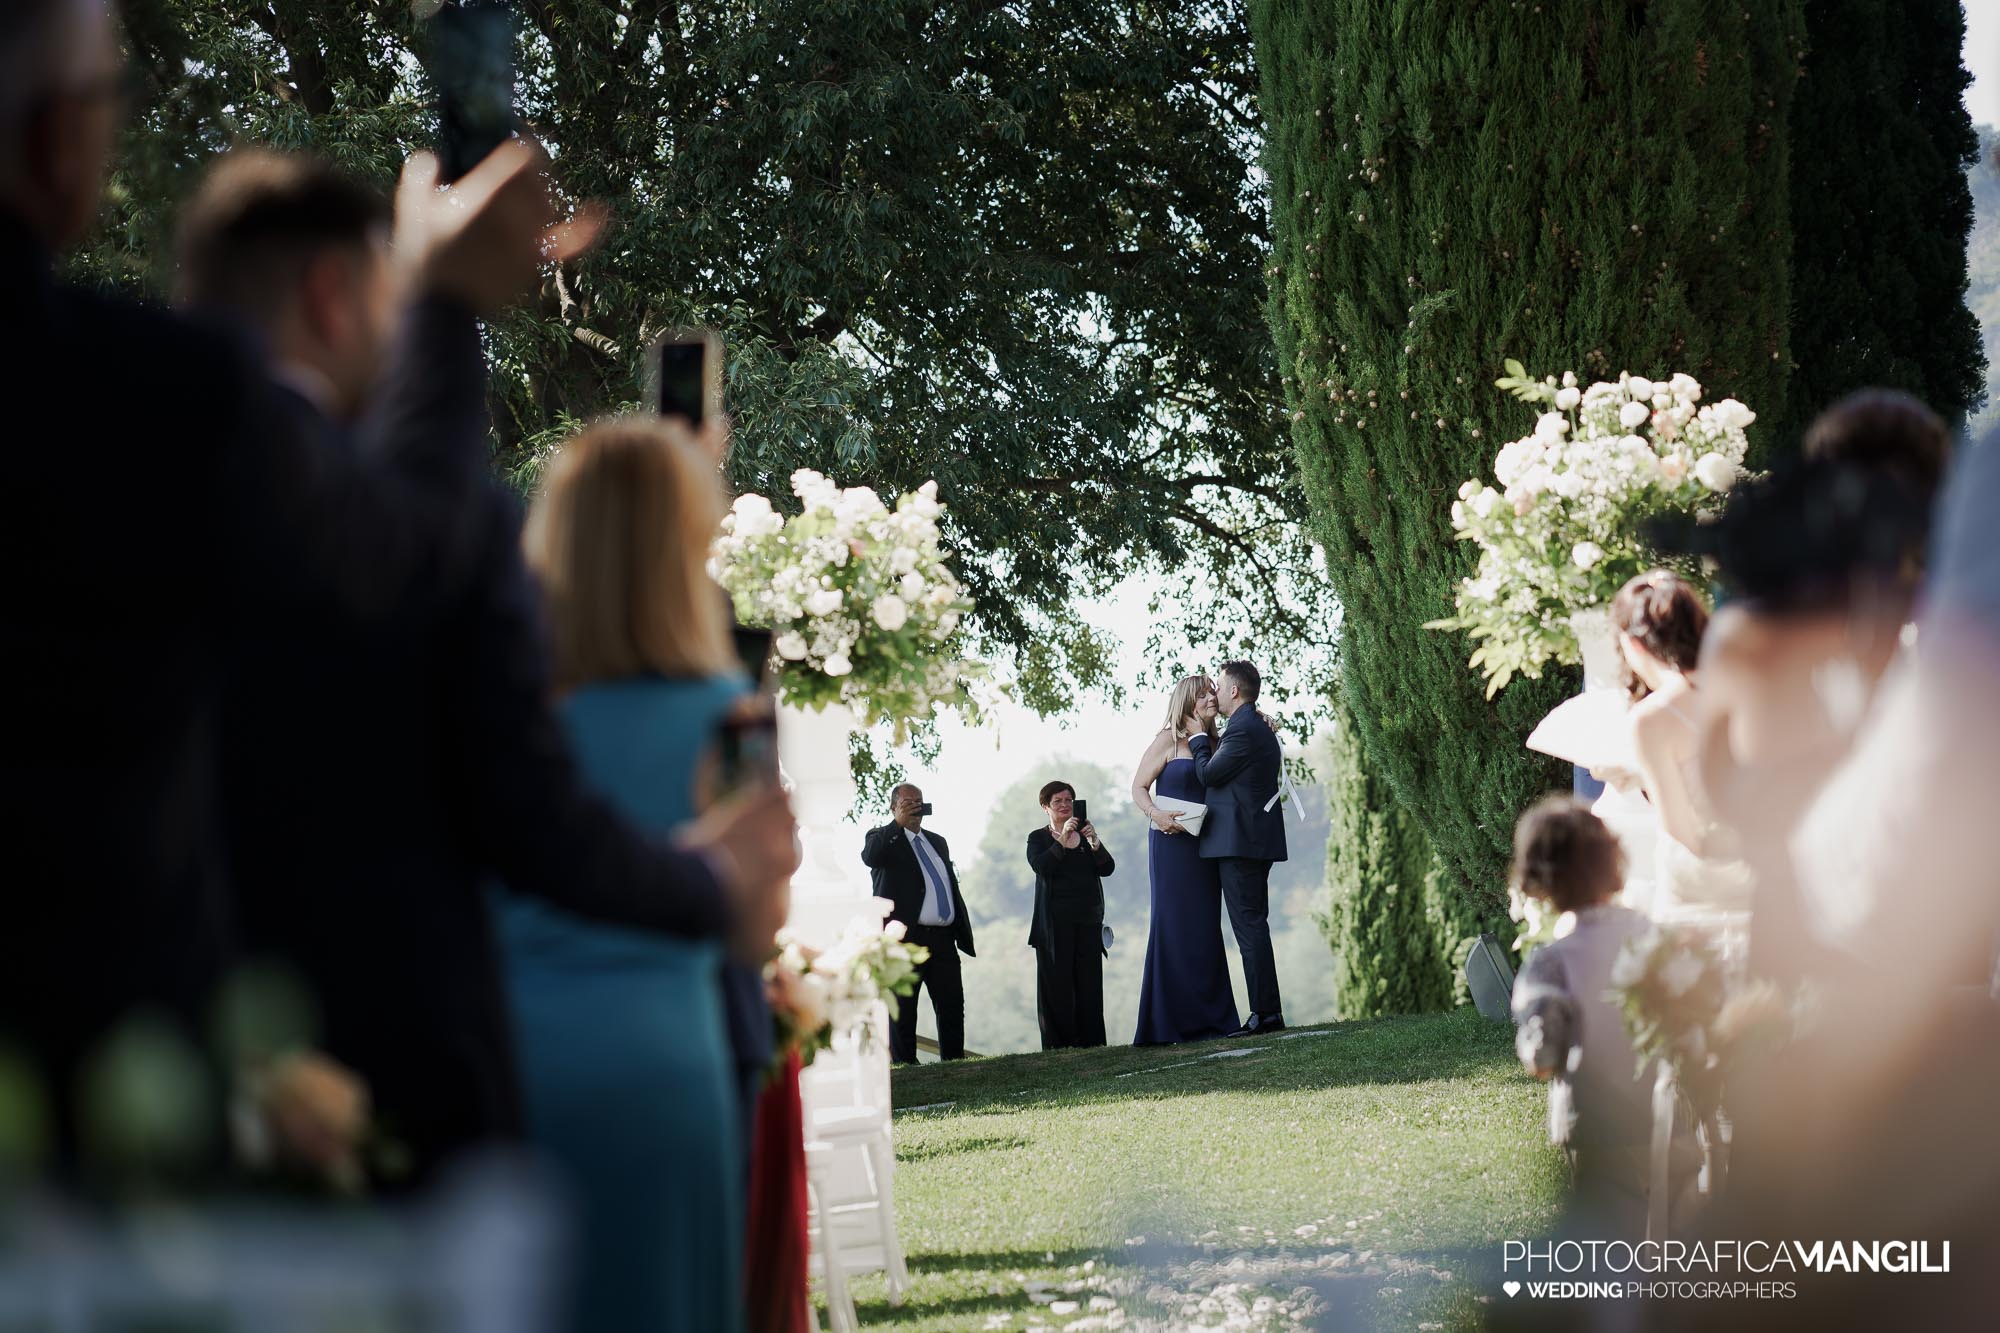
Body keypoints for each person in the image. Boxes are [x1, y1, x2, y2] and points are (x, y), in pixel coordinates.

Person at [0, 0, 599, 1174]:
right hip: (117, 1115)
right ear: (59, 135)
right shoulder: (148, 393)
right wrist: (442, 307)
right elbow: (395, 557)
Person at [174, 149, 798, 1186]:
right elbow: (735, 908)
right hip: (513, 1072)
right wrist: (445, 303)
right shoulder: (725, 706)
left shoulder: (132, 485)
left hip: (202, 1075)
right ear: (330, 295)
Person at [496, 417, 776, 1333]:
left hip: (515, 1074)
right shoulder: (730, 717)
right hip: (666, 1072)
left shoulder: (503, 717)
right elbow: (755, 929)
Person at [1509, 797, 1692, 1239]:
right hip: (1670, 1115)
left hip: (1599, 1128)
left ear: (1538, 881)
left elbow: (1542, 1056)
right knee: (1681, 1235)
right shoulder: (1654, 937)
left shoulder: (1551, 964)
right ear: (1613, 861)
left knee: (1610, 1247)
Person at [1600, 571, 1752, 929]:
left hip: (1717, 884)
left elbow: (1683, 836)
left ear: (1633, 644)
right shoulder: (1744, 676)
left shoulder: (1651, 720)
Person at [1130, 675, 1240, 1044]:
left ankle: (1214, 1019)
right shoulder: (1167, 740)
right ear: (1188, 701)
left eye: (1213, 692)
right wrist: (1155, 815)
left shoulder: (1220, 744)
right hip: (1170, 846)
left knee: (1205, 928)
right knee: (1173, 925)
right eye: (1204, 693)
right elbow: (1138, 787)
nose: (1212, 698)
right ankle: (1167, 1022)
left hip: (1206, 847)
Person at [1187, 660, 1288, 1035]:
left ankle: (1266, 1013)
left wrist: (1198, 739)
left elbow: (1208, 774)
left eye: (1219, 685)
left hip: (1240, 843)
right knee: (1253, 925)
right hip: (1250, 841)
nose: (1214, 693)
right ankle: (1267, 1010)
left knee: (1249, 928)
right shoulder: (1251, 725)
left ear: (1234, 690)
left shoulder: (1242, 729)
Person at [862, 784, 977, 1064]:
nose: (915, 806)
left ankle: (954, 1062)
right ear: (893, 807)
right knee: (903, 1007)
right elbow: (870, 857)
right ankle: (905, 1064)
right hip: (906, 939)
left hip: (942, 938)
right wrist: (897, 824)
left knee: (951, 1004)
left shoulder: (937, 841)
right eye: (907, 802)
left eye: (919, 801)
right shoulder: (882, 837)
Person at [1025, 782, 1114, 1049]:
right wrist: (1063, 838)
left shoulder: (1085, 837)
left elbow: (1107, 868)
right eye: (1058, 801)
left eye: (1068, 800)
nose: (1065, 805)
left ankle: (1093, 1043)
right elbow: (1042, 867)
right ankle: (1059, 1045)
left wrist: (1094, 841)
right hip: (1054, 926)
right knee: (1057, 987)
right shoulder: (1038, 838)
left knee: (1089, 985)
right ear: (1046, 807)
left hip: (1087, 923)